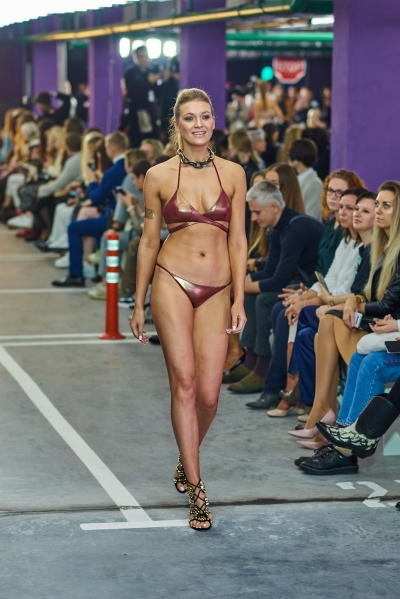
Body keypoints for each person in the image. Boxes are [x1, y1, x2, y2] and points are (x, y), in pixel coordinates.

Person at [129, 88, 247, 530]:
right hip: (172, 281)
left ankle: (186, 455)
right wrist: (138, 302)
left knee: (210, 396)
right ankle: (198, 493)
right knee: (184, 383)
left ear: (214, 120)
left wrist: (239, 297)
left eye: (205, 116)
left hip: (219, 288)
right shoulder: (158, 175)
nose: (198, 124)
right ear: (176, 124)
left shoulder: (234, 173)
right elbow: (148, 241)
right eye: (189, 117)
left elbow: (238, 239)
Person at [227, 181, 324, 395]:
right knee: (252, 297)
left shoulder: (295, 229)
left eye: (257, 212)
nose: (253, 218)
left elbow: (278, 280)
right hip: (297, 283)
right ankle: (251, 359)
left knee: (263, 300)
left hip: (311, 287)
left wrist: (236, 289)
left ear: (273, 206)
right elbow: (269, 271)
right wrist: (237, 282)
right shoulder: (278, 228)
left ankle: (262, 368)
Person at [52, 132, 128, 287]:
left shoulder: (113, 172)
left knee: (74, 228)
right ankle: (90, 266)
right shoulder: (126, 167)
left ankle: (75, 273)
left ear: (111, 149)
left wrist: (93, 182)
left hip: (112, 218)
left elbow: (96, 198)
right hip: (120, 216)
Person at [124, 46, 159, 147]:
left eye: (146, 56)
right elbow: (132, 92)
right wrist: (148, 82)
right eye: (141, 56)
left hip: (150, 111)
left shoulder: (151, 71)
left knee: (151, 140)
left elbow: (157, 93)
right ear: (135, 58)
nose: (144, 59)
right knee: (137, 141)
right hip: (136, 112)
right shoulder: (130, 73)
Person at [288, 139, 323, 220]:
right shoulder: (297, 179)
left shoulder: (315, 184)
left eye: (291, 152)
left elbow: (311, 216)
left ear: (298, 157)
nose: (288, 156)